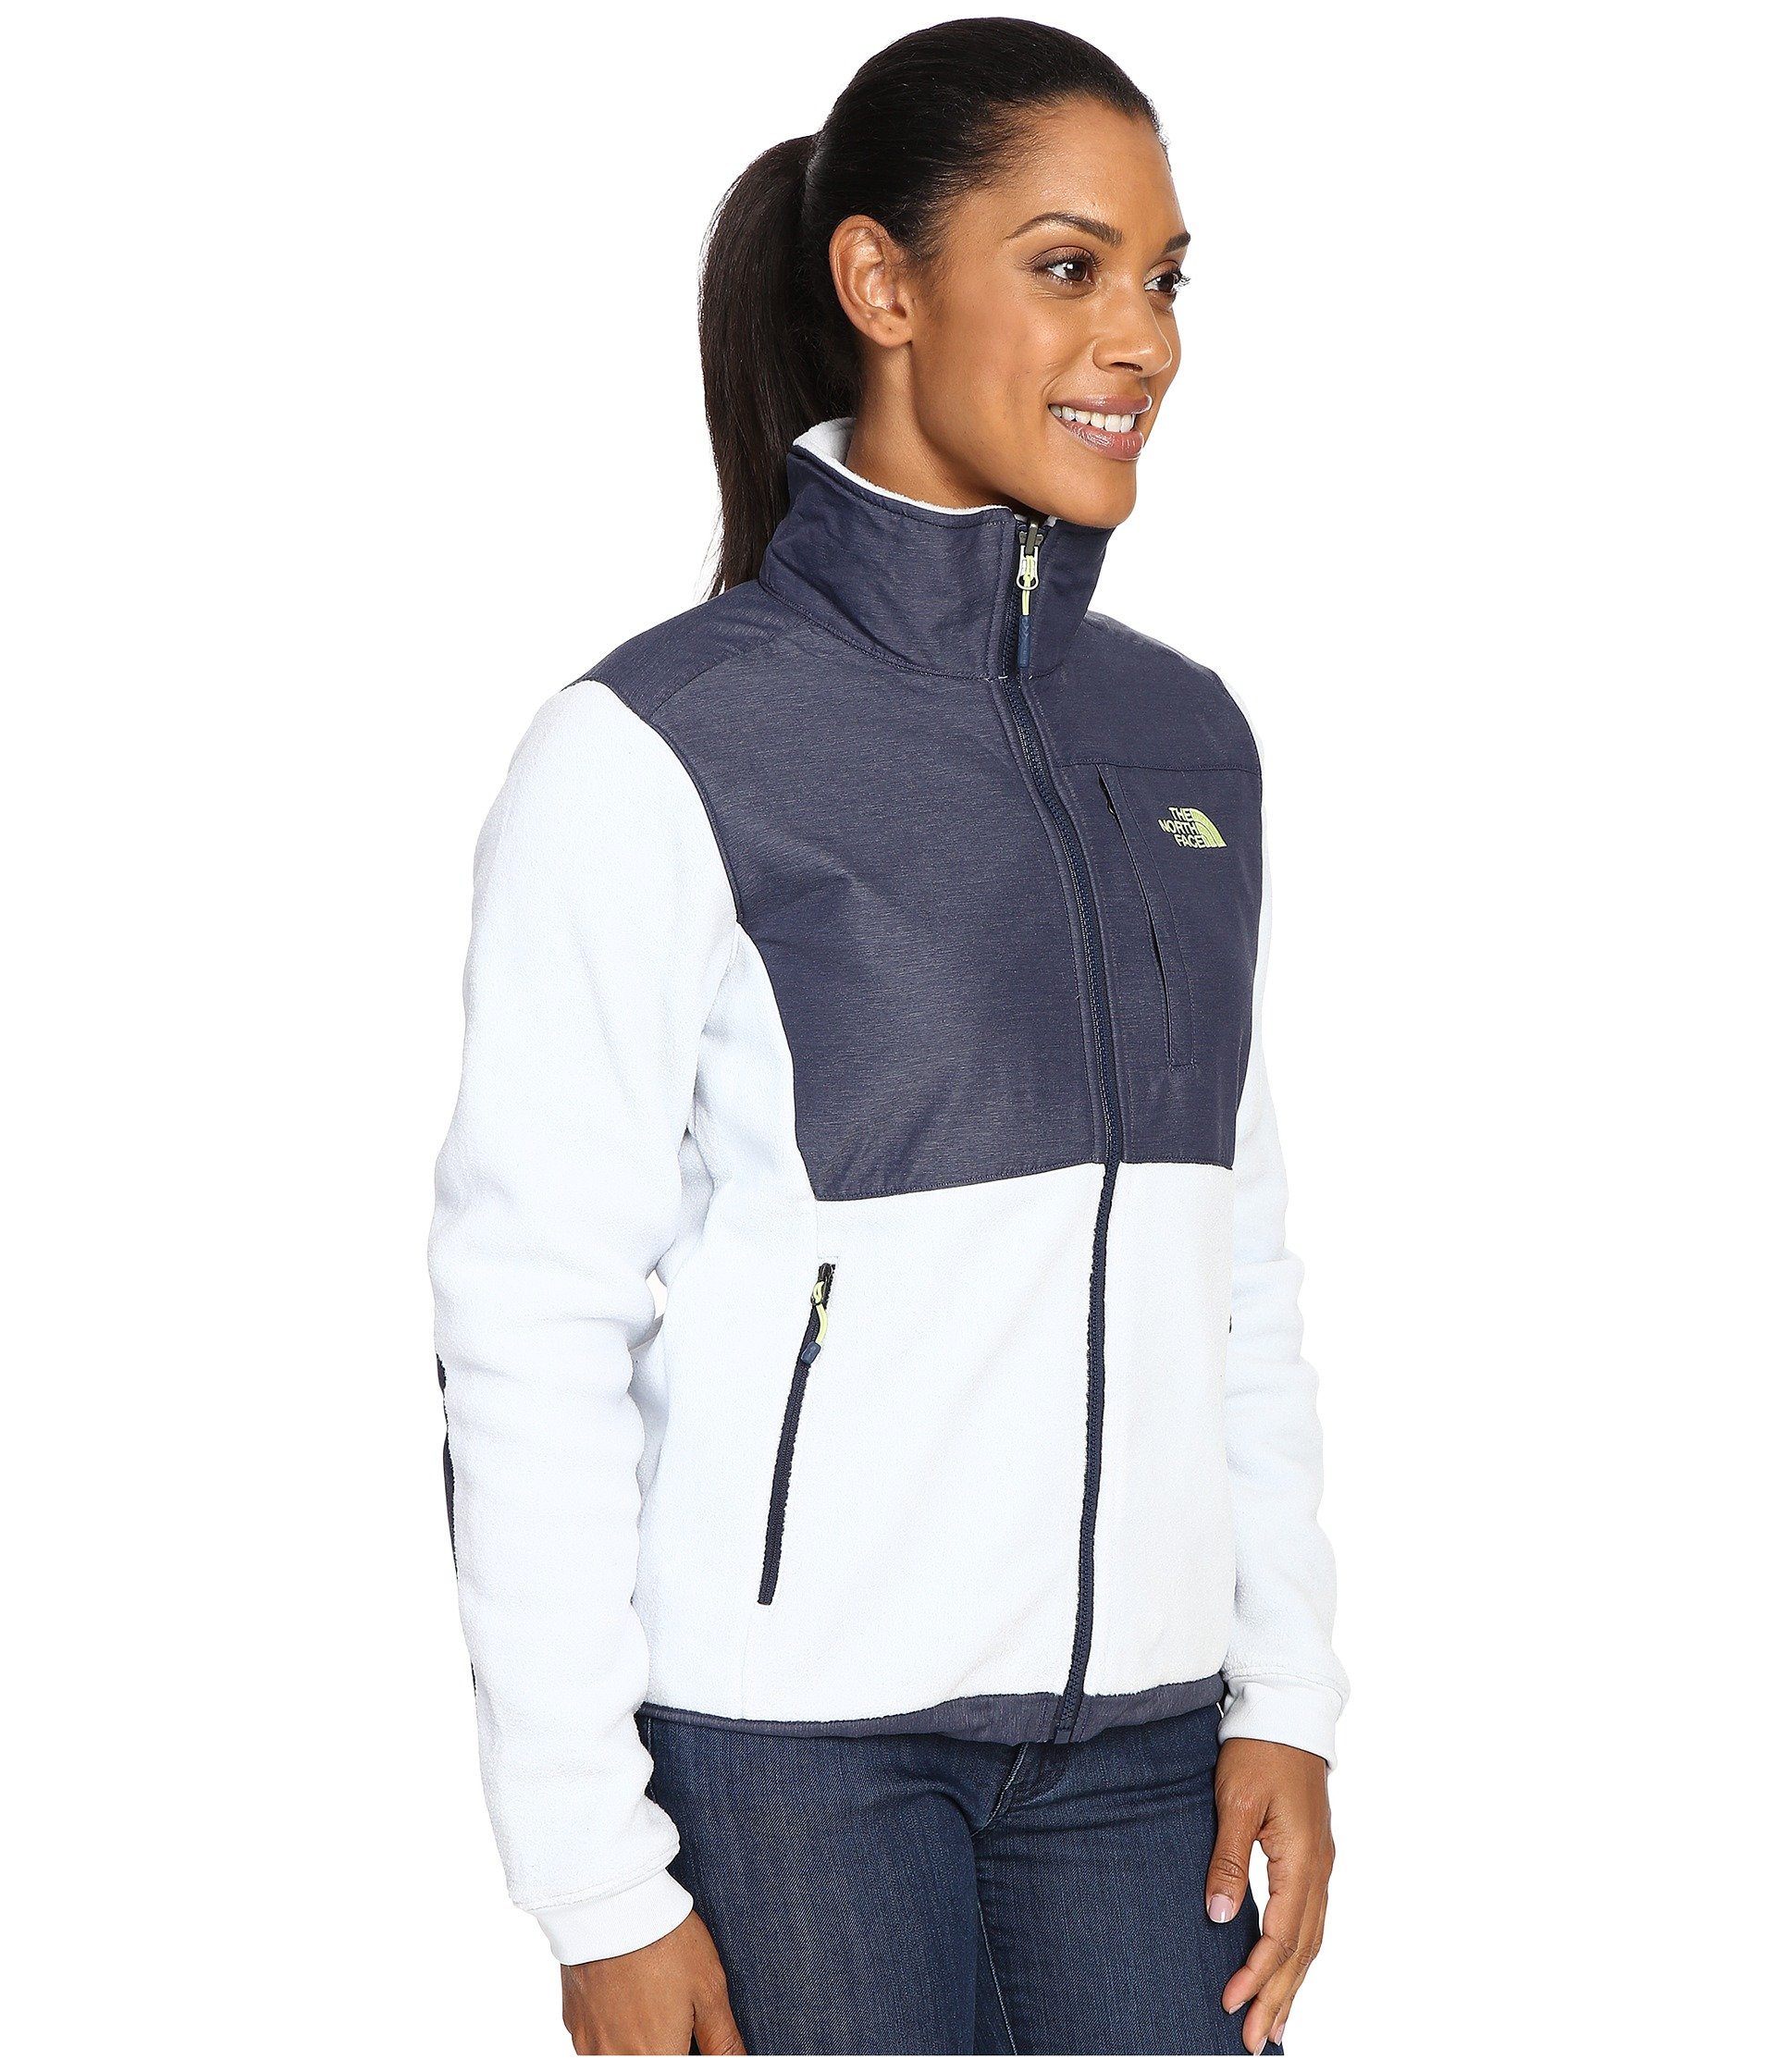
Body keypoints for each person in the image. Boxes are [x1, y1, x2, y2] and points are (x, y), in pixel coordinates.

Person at [429, 17, 1348, 2057]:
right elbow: (529, 1319)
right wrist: (593, 1873)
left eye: (1165, 277)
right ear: (881, 283)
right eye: (1069, 265)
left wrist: (1285, 1689)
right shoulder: (657, 748)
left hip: (1147, 1751)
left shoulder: (1183, 736)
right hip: (792, 1757)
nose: (1142, 338)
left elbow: (1235, 1265)